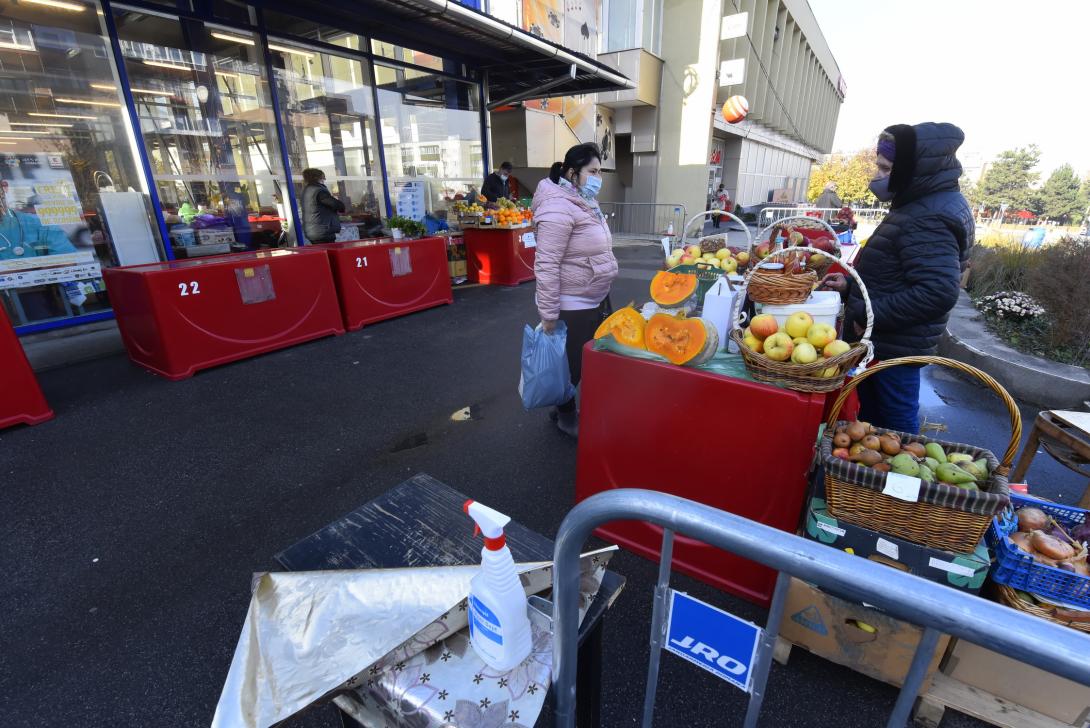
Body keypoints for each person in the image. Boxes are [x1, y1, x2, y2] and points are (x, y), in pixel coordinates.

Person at [819, 122, 974, 434]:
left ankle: (897, 480)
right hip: (889, 342)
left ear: (911, 170)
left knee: (895, 429)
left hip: (895, 348)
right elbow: (897, 274)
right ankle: (867, 481)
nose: (877, 174)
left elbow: (937, 291)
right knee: (873, 423)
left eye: (885, 167)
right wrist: (851, 289)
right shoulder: (922, 203)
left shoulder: (928, 215)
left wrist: (867, 314)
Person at [532, 142, 618, 438]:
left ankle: (562, 408)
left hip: (593, 296)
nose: (598, 178)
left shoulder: (583, 200)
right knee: (570, 367)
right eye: (592, 171)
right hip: (573, 301)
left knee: (581, 362)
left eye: (600, 171)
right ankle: (566, 417)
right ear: (572, 173)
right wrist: (548, 313)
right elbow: (546, 263)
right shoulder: (558, 206)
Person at [300, 168, 345, 243]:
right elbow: (336, 205)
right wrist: (341, 206)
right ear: (317, 178)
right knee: (328, 252)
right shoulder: (319, 191)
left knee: (321, 252)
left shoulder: (306, 190)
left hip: (313, 230)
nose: (324, 180)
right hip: (322, 231)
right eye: (323, 178)